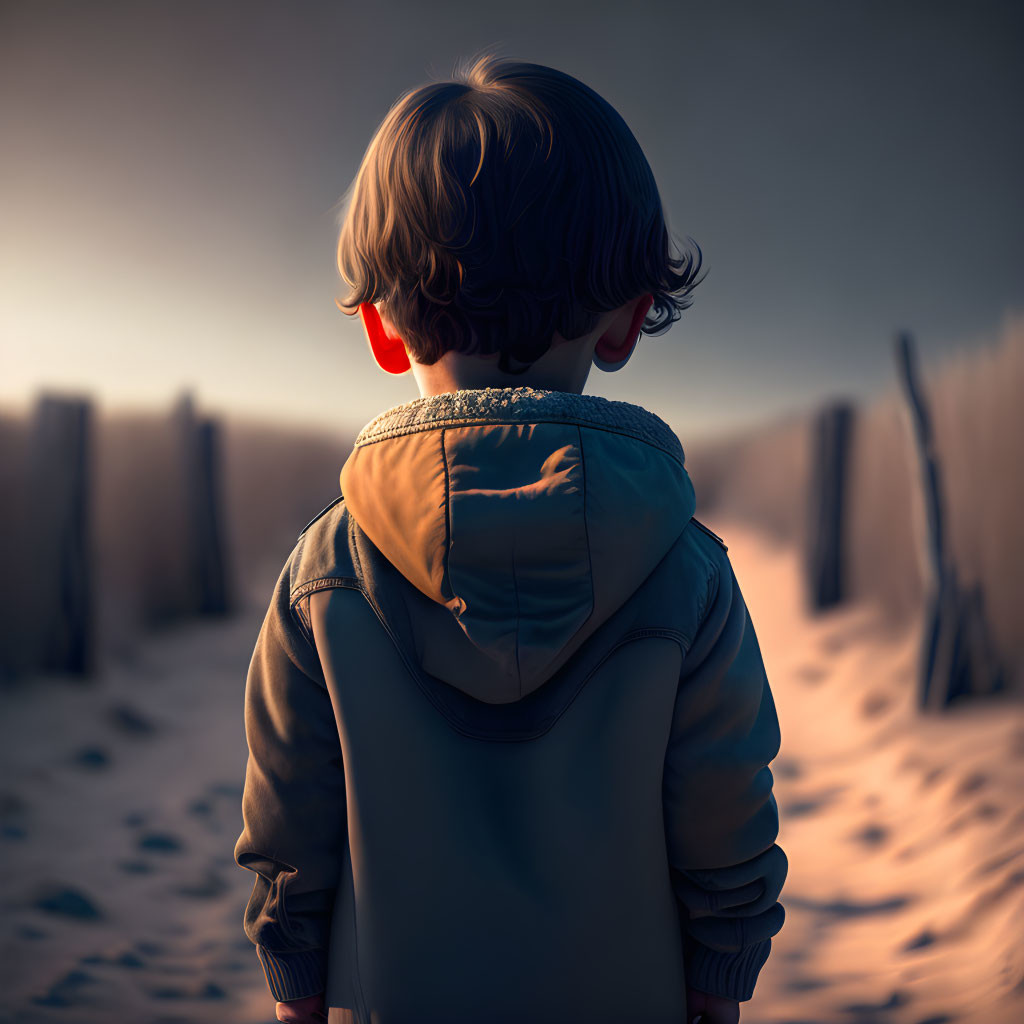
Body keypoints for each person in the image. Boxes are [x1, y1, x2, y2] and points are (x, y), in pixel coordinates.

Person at [234, 52, 787, 1024]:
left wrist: (296, 986)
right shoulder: (688, 573)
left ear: (383, 332)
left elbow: (289, 823)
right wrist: (720, 975)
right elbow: (723, 812)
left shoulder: (323, 574)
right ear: (626, 323)